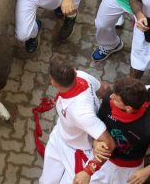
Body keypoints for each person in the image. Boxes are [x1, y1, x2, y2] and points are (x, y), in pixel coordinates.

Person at [39, 56, 116, 184]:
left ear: (53, 83)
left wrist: (88, 171)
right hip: (60, 136)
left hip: (78, 149)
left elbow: (109, 143)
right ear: (75, 73)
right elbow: (104, 88)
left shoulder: (81, 114)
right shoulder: (82, 76)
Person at [90, 78, 150, 184]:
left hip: (130, 171)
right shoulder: (108, 100)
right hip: (102, 159)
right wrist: (95, 142)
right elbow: (97, 124)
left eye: (116, 99)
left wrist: (149, 169)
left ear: (128, 108)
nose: (111, 96)